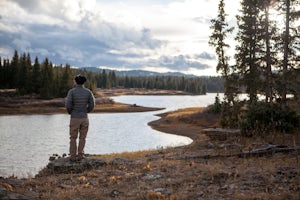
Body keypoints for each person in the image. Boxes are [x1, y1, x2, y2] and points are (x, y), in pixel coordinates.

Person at [65, 74, 95, 161]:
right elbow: (92, 104)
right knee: (83, 138)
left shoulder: (71, 91)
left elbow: (68, 105)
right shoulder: (88, 92)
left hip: (74, 117)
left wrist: (71, 112)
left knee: (73, 138)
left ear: (76, 81)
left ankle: (73, 156)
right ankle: (80, 155)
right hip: (84, 118)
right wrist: (86, 111)